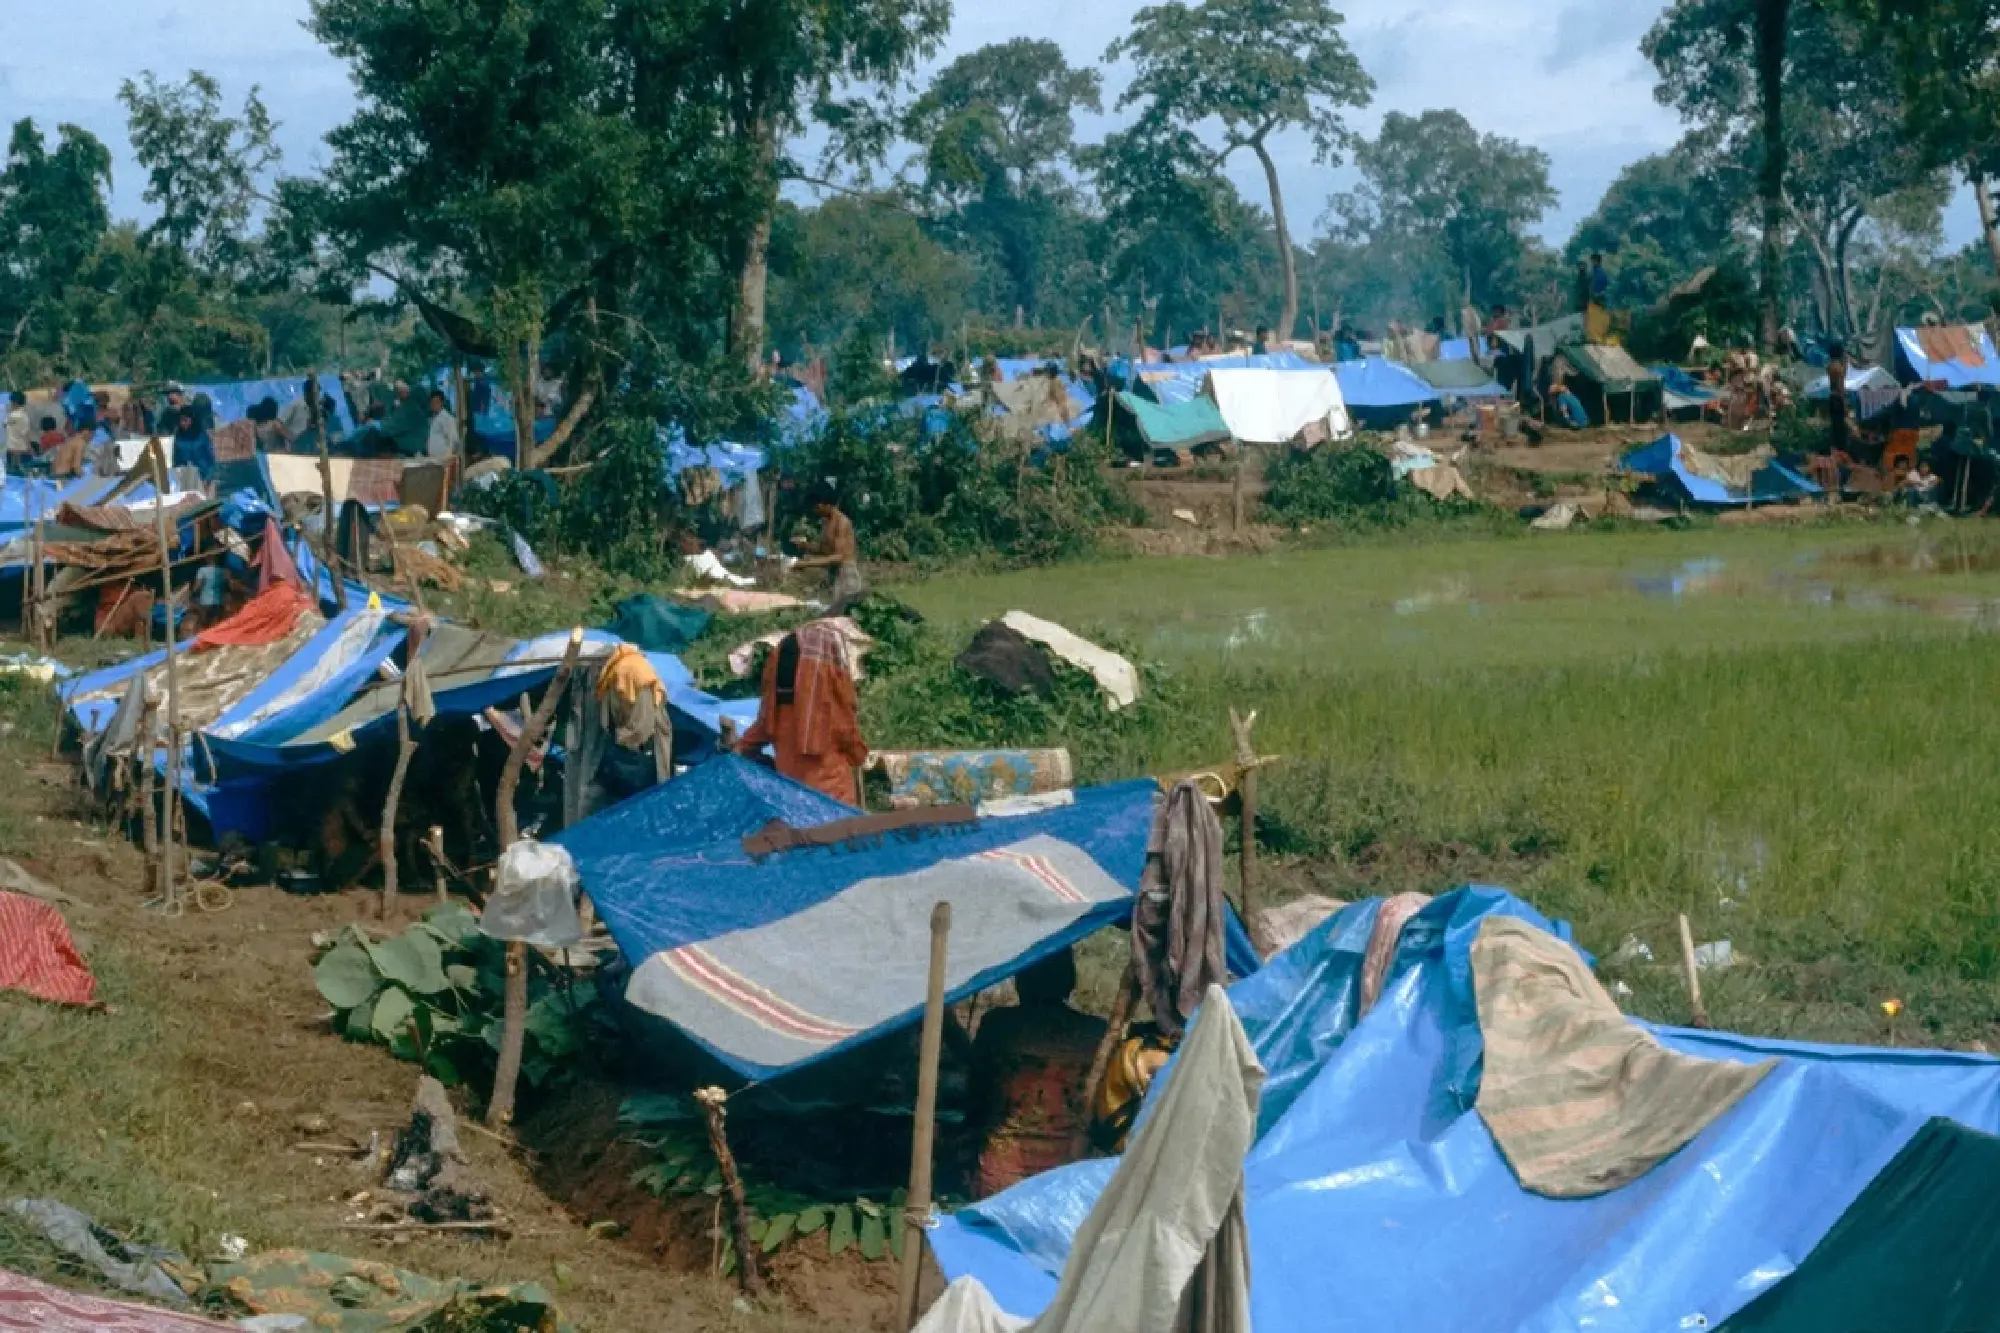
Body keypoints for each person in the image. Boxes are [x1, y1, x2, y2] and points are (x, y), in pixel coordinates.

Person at [967, 949, 1108, 1200]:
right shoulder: (1095, 1033)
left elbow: (977, 1088)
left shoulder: (1001, 1026)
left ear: (1022, 979)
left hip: (1004, 1164)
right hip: (1070, 1163)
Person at [734, 620, 869, 804]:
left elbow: (760, 730)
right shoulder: (829, 704)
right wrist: (859, 756)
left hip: (792, 797)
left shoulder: (775, 707)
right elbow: (847, 734)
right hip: (833, 798)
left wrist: (739, 748)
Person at [792, 480, 865, 610]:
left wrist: (807, 563)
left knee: (845, 615)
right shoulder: (826, 522)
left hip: (846, 574)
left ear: (828, 504)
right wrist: (805, 546)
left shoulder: (842, 522)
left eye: (818, 507)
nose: (815, 510)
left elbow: (839, 556)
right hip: (834, 573)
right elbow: (824, 549)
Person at [170, 406, 214, 478]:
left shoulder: (202, 437)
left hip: (203, 476)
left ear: (192, 420)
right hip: (185, 477)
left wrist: (208, 478)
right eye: (180, 420)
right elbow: (176, 462)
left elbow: (210, 460)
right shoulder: (178, 438)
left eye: (185, 420)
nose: (182, 423)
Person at [1825, 341, 1851, 457]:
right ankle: (1841, 453)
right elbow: (1841, 387)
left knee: (1835, 426)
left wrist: (1845, 362)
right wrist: (1845, 404)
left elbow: (1842, 375)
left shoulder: (1831, 365)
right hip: (1838, 399)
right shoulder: (1838, 368)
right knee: (1840, 428)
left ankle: (1833, 450)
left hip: (1832, 397)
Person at [424, 389, 457, 461]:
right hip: (432, 458)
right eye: (432, 402)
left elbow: (452, 439)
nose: (434, 405)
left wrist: (448, 458)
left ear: (442, 403)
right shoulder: (431, 419)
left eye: (436, 402)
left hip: (444, 459)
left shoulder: (447, 418)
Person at [4, 392, 31, 458]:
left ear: (14, 403)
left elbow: (4, 425)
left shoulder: (10, 415)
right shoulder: (23, 416)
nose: (10, 404)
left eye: (11, 401)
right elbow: (25, 434)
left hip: (10, 449)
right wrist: (29, 447)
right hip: (21, 450)